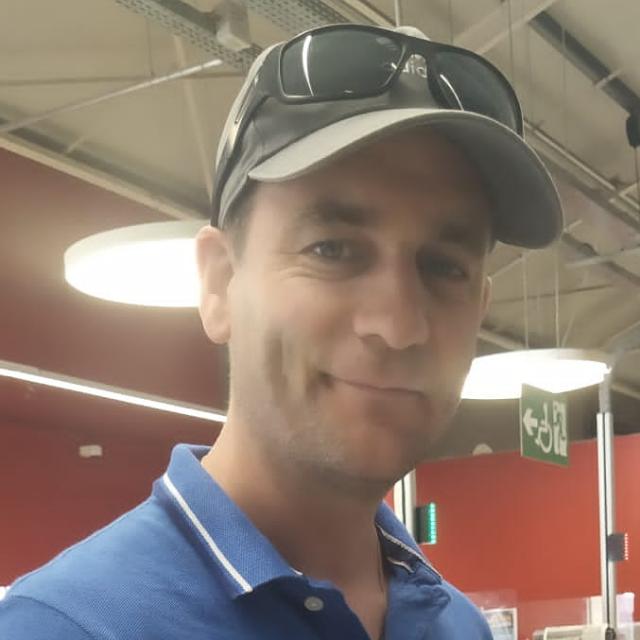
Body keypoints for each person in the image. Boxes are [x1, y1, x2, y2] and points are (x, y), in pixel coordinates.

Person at [0, 23, 562, 640]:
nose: (399, 325)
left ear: (480, 307)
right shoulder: (62, 627)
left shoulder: (459, 626)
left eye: (444, 267)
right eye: (332, 249)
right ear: (219, 283)